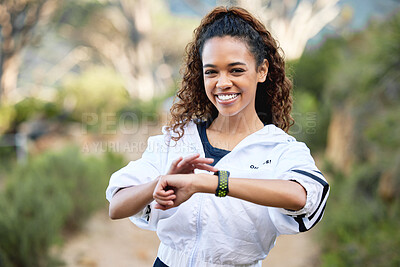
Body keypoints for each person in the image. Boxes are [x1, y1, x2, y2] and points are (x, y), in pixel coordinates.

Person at [106, 6, 329, 267]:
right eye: (211, 71)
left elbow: (302, 196)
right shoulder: (178, 137)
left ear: (262, 70)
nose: (222, 83)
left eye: (236, 70)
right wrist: (160, 182)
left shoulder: (279, 149)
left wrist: (208, 183)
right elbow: (116, 206)